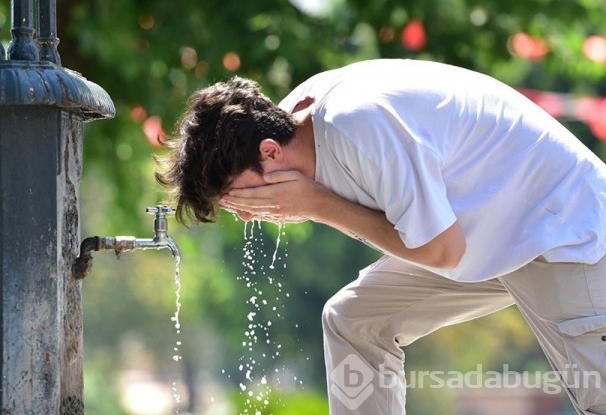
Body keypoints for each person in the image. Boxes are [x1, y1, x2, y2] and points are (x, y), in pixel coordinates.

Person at [155, 58, 606, 415]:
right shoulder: (291, 128)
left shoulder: (358, 125)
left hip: (560, 229)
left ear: (269, 153)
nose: (246, 215)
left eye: (237, 198)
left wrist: (319, 205)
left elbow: (442, 251)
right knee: (354, 321)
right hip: (478, 233)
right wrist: (315, 202)